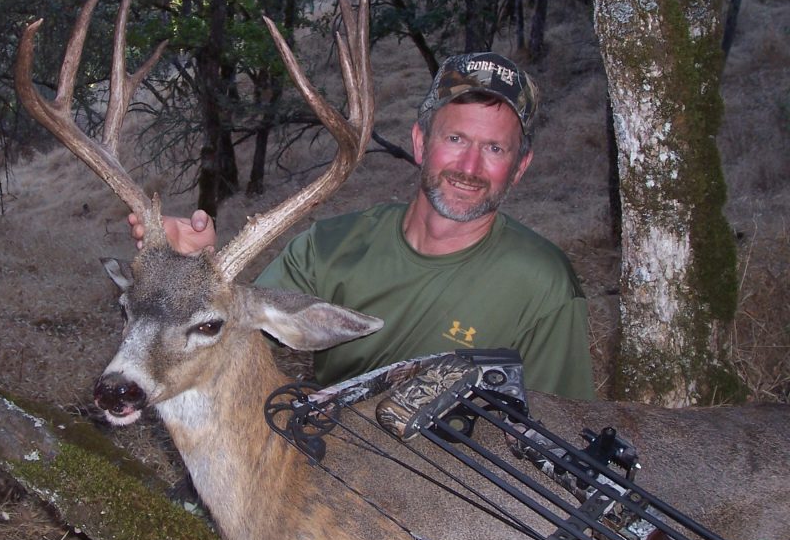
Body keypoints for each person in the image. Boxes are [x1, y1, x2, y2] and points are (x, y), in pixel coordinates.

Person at [130, 52, 595, 399]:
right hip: (332, 459)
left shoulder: (543, 284)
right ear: (420, 142)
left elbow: (560, 422)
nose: (470, 166)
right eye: (455, 139)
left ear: (520, 166)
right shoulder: (330, 246)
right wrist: (192, 268)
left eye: (495, 149)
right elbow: (230, 332)